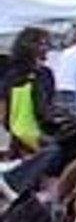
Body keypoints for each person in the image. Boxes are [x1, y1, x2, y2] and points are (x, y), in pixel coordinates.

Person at [0, 27, 57, 156]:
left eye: (46, 43)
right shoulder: (14, 75)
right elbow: (3, 111)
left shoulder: (46, 73)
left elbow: (50, 102)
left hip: (39, 132)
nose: (46, 48)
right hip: (24, 137)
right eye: (42, 43)